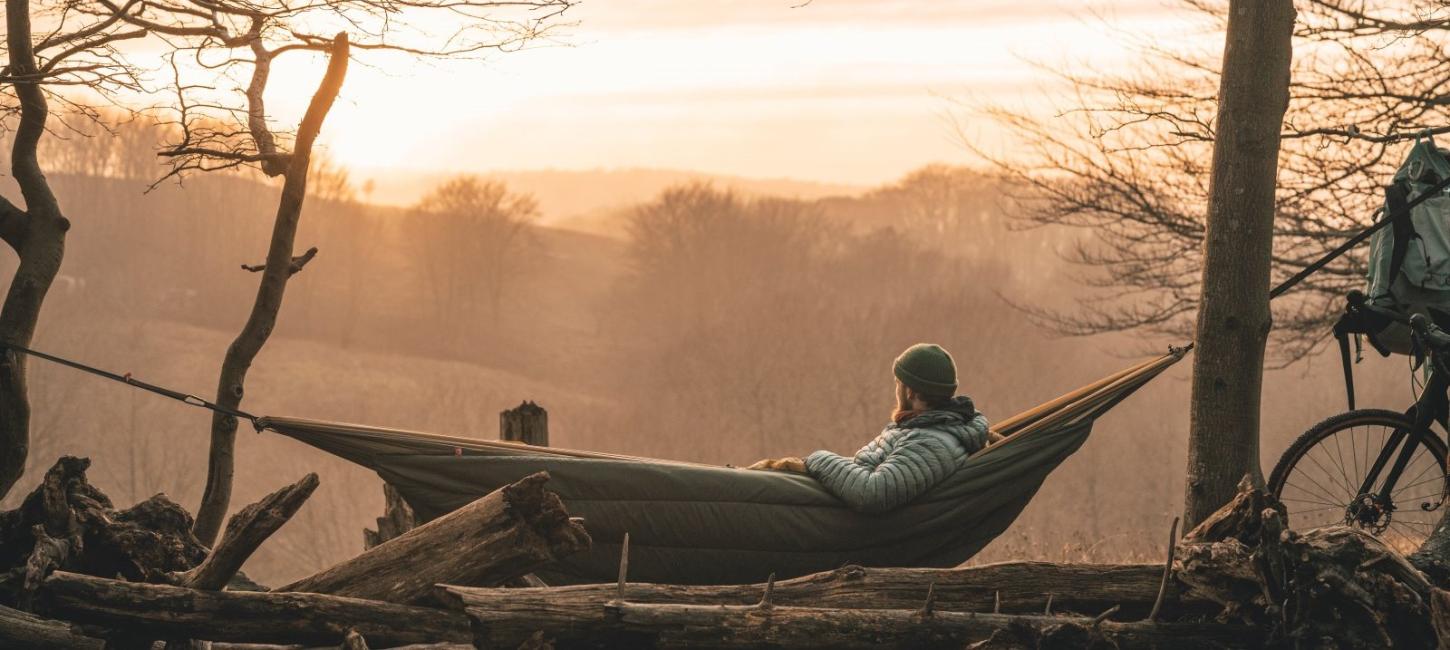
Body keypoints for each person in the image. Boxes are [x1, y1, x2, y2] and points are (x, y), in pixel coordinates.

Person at [748, 343, 997, 514]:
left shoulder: (931, 442)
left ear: (909, 391)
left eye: (898, 383)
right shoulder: (924, 430)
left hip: (843, 528)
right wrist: (799, 466)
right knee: (755, 479)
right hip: (834, 508)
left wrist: (817, 460)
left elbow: (873, 492)